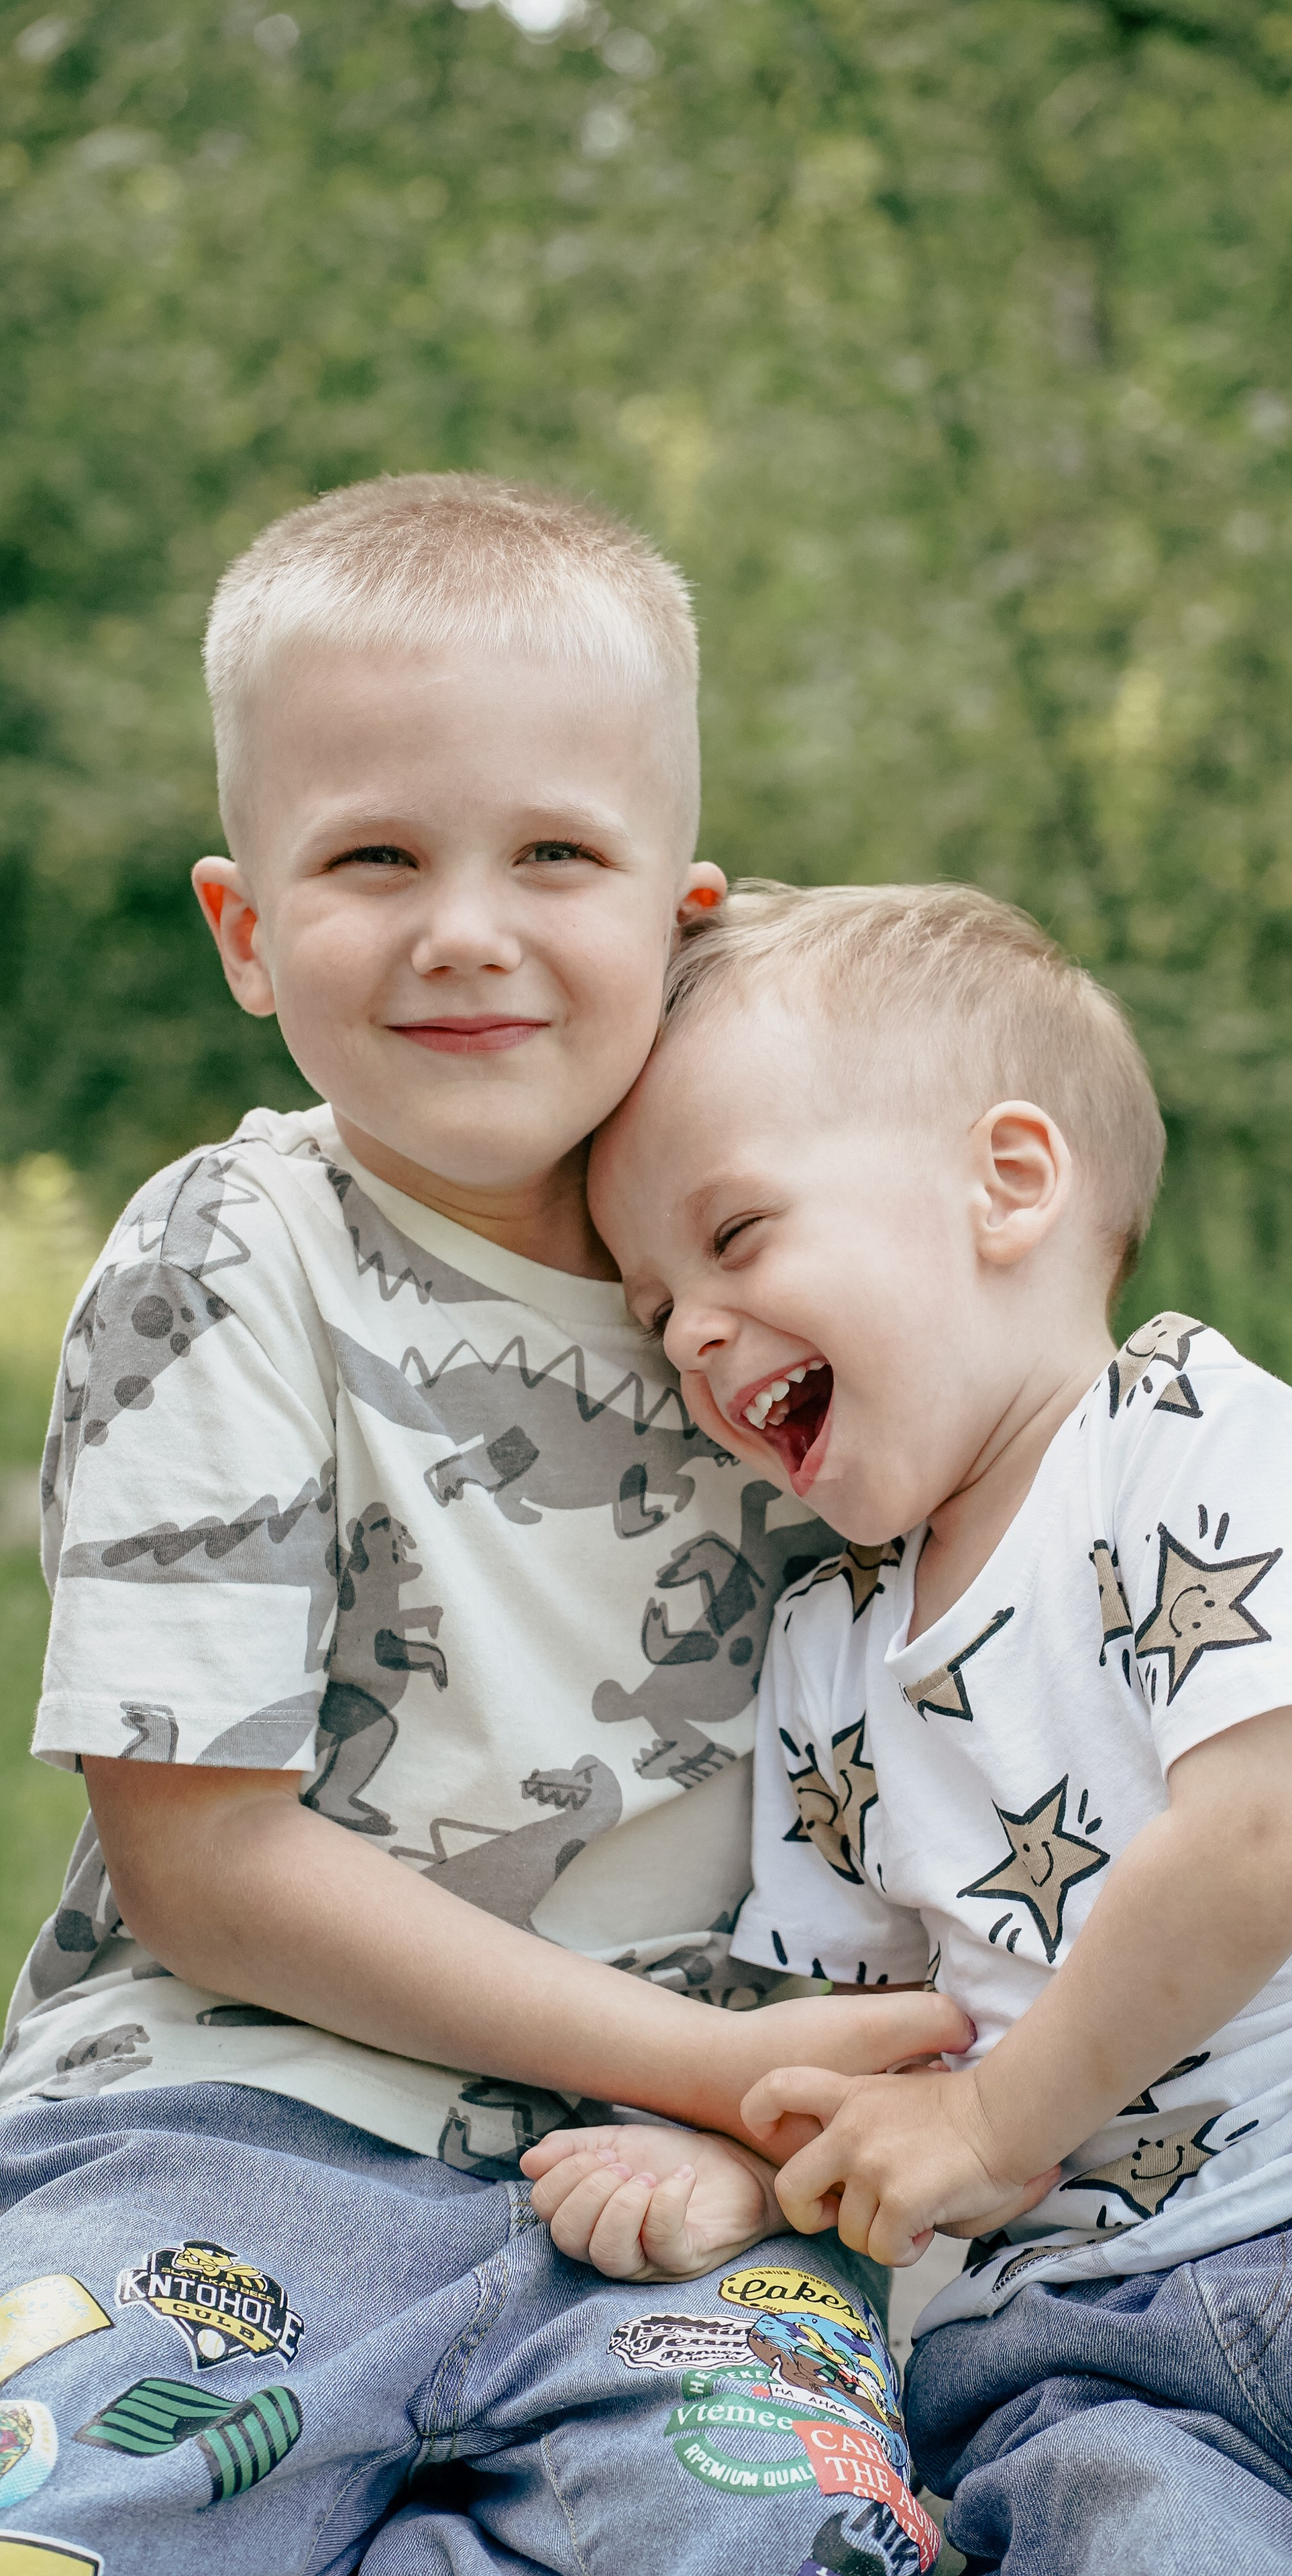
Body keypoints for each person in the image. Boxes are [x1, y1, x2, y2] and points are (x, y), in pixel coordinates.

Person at [0, 476, 979, 2576]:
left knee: (792, 2547)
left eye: (554, 853)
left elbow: (1099, 1550)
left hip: (708, 2190)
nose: (465, 925)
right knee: (68, 2520)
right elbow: (211, 1871)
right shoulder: (233, 1261)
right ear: (246, 932)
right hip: (238, 2122)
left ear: (680, 919)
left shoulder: (804, 1295)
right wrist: (714, 2061)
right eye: (372, 858)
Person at [568, 877, 1292, 2576]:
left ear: (1006, 1183)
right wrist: (766, 2169)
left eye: (731, 1239)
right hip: (1083, 2350)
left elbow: (1258, 1836)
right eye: (654, 1308)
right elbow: (852, 2031)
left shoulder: (1181, 1434)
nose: (695, 1336)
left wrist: (987, 2128)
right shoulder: (821, 1653)